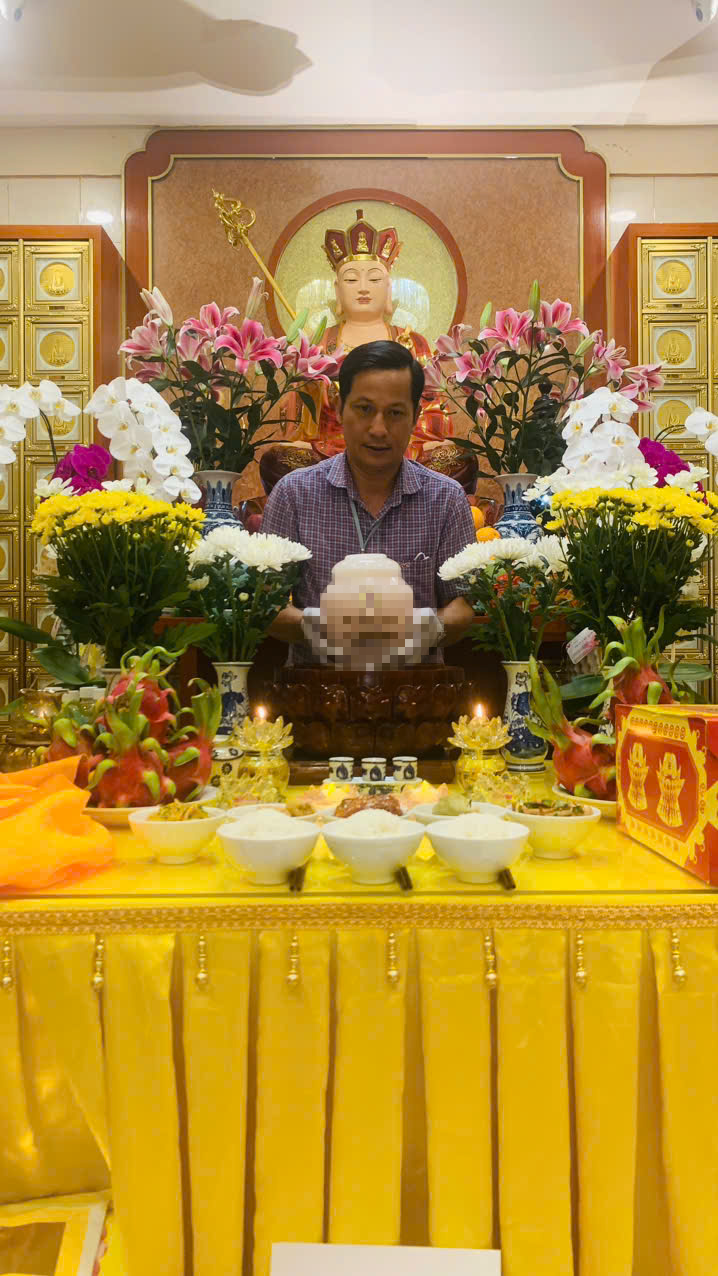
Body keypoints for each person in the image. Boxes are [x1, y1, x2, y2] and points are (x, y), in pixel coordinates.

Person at [262, 339, 476, 666]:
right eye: (364, 409)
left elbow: (463, 603)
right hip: (318, 686)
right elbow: (266, 603)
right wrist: (317, 628)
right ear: (339, 408)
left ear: (415, 417)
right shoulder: (293, 494)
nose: (378, 429)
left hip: (415, 687)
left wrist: (424, 631)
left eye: (395, 413)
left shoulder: (446, 498)